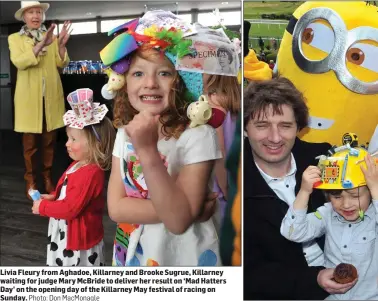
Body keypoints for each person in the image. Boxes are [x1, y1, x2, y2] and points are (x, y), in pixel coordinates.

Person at [102, 11, 231, 266]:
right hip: (133, 255)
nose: (150, 83)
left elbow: (177, 224)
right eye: (138, 73)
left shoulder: (199, 135)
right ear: (123, 82)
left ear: (180, 81)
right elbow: (116, 208)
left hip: (183, 256)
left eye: (164, 73)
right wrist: (185, 211)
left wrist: (147, 150)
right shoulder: (124, 132)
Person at [244, 77, 336, 299]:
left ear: (298, 127)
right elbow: (248, 275)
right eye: (262, 125)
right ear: (245, 130)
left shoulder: (324, 159)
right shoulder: (235, 184)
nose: (275, 138)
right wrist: (315, 279)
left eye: (285, 126)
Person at [31, 89, 116, 266]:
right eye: (68, 138)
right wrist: (55, 196)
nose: (67, 144)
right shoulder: (79, 164)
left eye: (73, 139)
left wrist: (44, 207)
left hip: (76, 242)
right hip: (67, 233)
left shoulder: (90, 173)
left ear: (95, 144)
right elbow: (69, 190)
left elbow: (71, 209)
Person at [281, 146, 378, 300]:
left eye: (354, 195)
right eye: (337, 197)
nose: (346, 204)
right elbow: (292, 232)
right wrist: (304, 191)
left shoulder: (374, 216)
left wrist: (376, 188)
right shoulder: (327, 214)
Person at [8, 1, 72, 200]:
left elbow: (62, 62)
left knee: (49, 142)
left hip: (51, 98)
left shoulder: (52, 37)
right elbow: (20, 62)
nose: (36, 16)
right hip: (29, 100)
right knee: (30, 145)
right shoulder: (14, 39)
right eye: (31, 12)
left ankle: (47, 178)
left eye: (39, 12)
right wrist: (40, 45)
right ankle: (31, 181)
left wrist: (60, 46)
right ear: (24, 17)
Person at [203, 73, 240, 223]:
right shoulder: (237, 101)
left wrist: (225, 188)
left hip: (220, 185)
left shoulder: (210, 104)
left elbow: (219, 152)